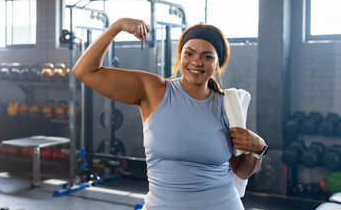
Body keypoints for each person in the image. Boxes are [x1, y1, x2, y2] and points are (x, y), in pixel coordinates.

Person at [72, 18, 267, 210]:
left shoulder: (228, 104)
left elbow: (241, 171)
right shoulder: (154, 90)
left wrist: (259, 149)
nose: (196, 62)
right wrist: (116, 26)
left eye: (207, 56)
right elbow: (84, 71)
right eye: (189, 53)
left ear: (218, 64)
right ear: (180, 56)